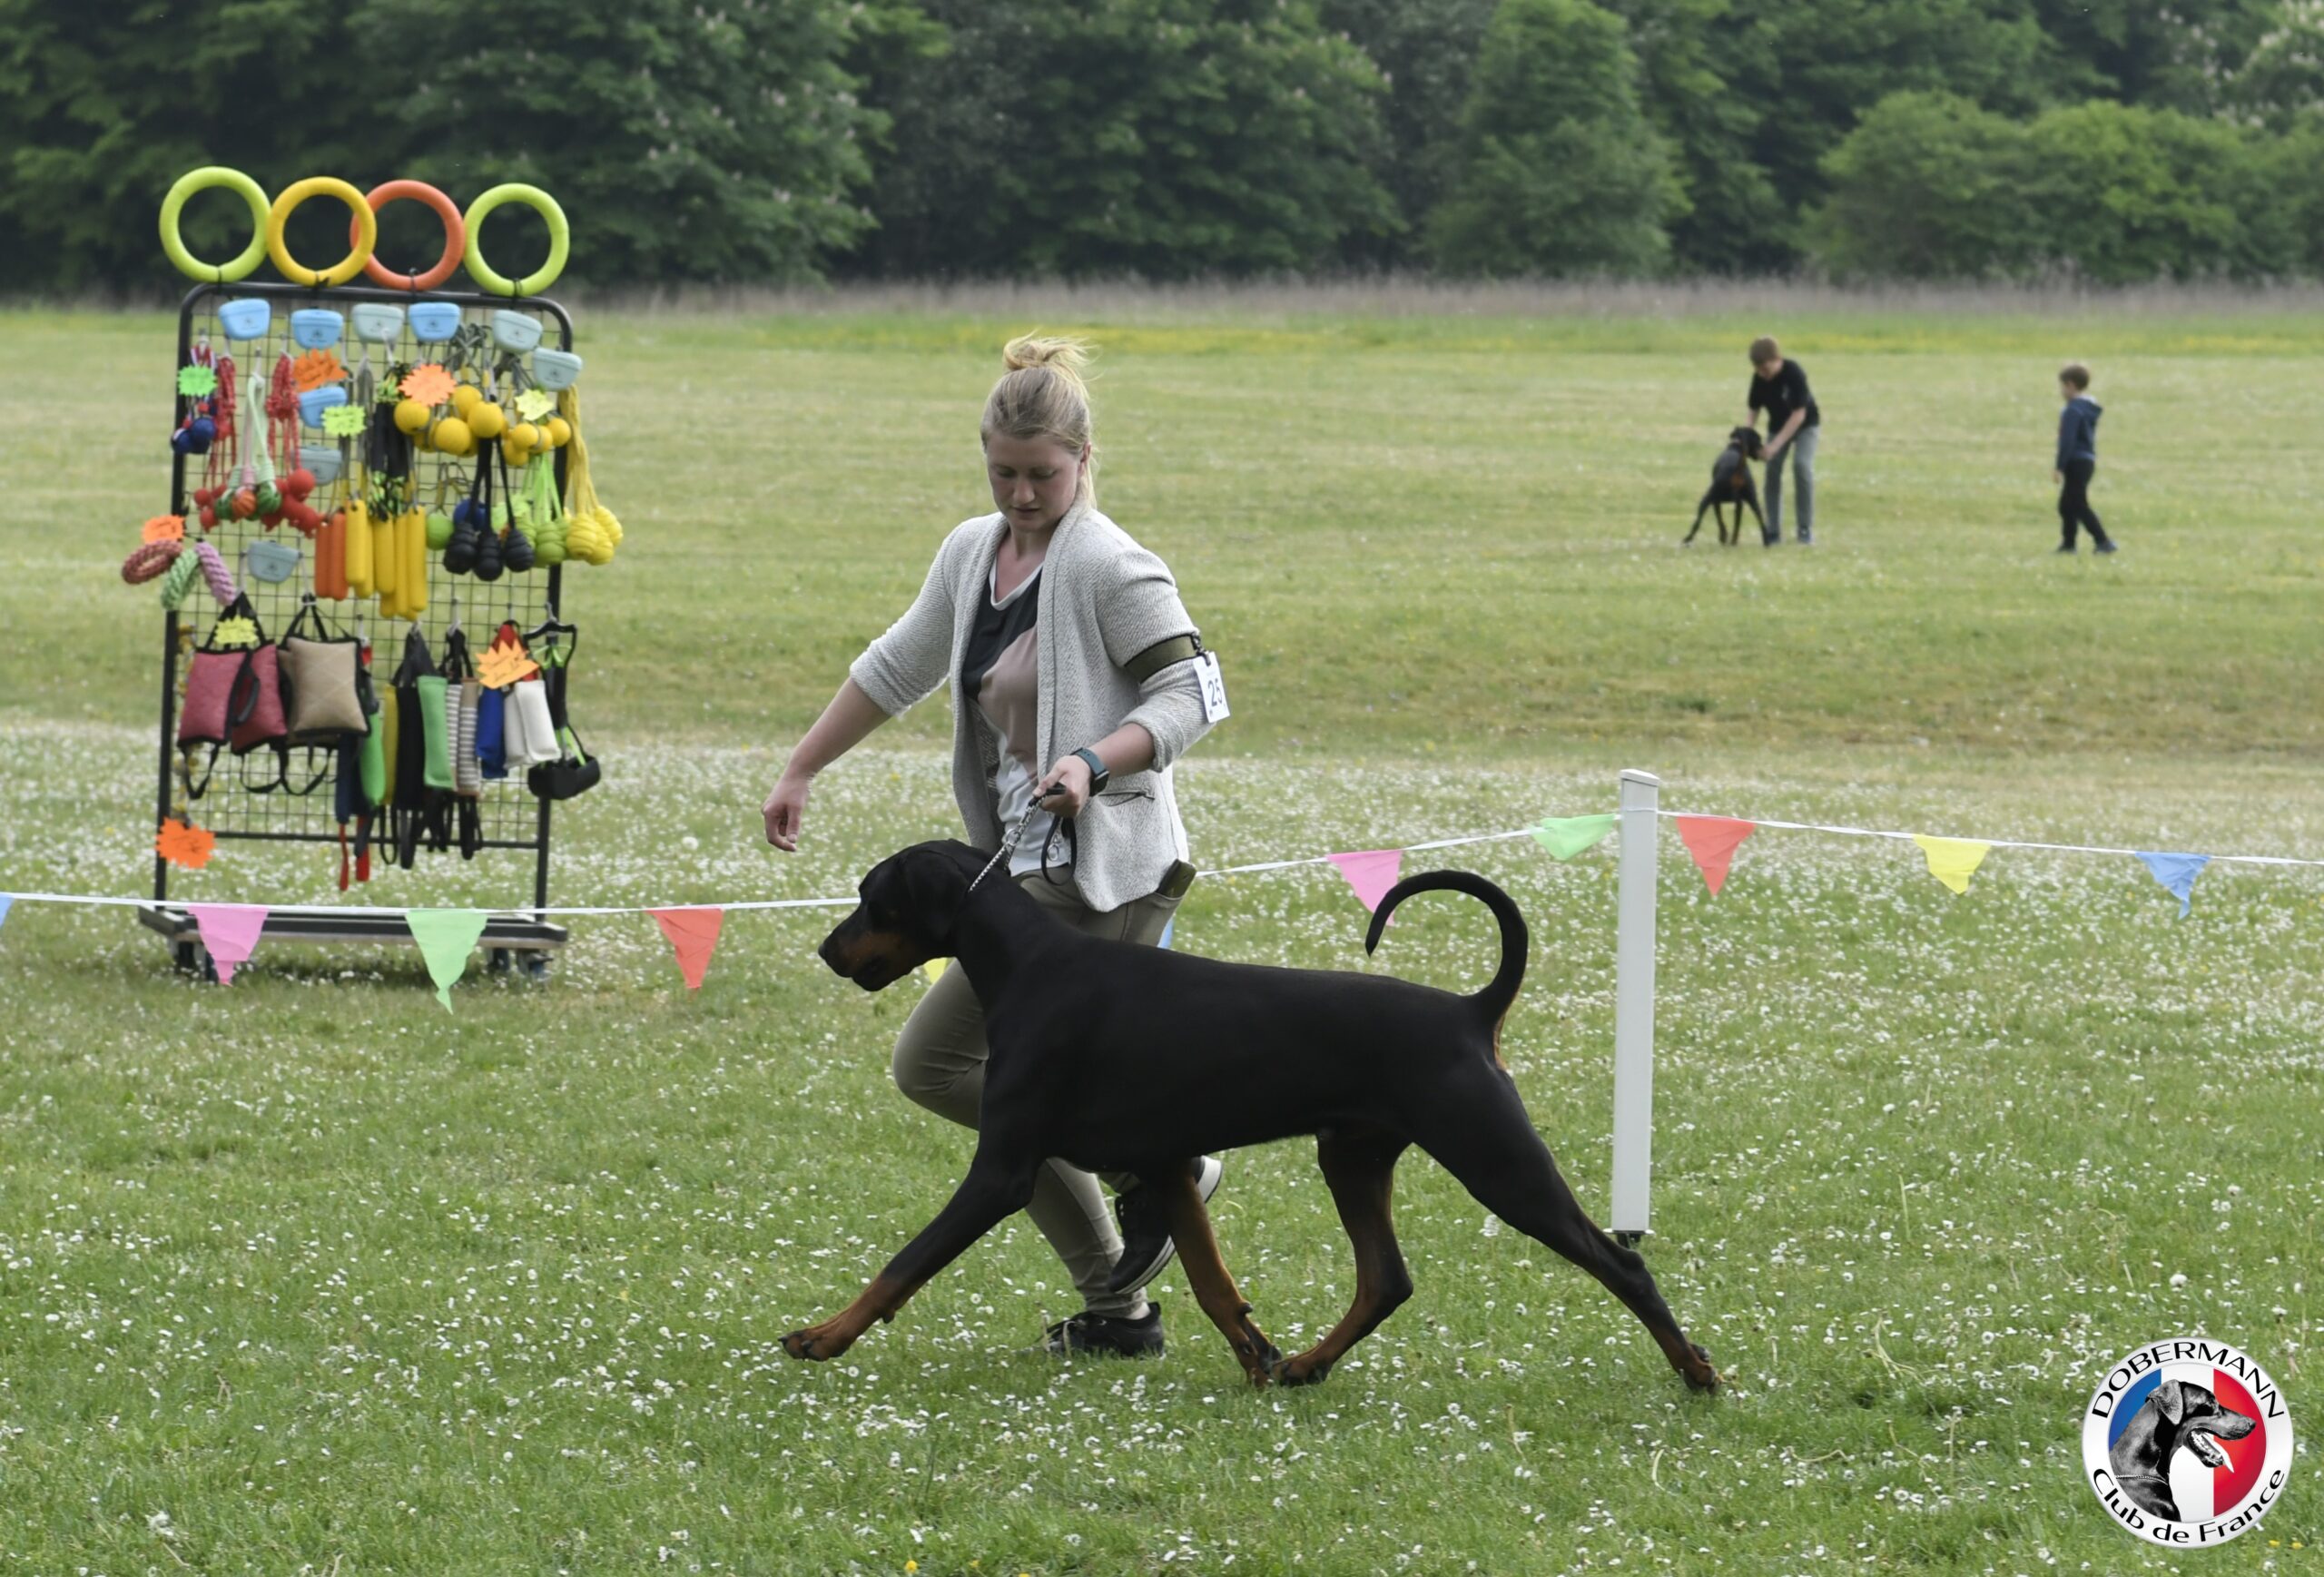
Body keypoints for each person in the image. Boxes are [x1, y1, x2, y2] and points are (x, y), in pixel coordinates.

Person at [761, 335, 1225, 1359]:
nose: (1021, 497)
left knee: (941, 1062)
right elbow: (897, 666)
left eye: (1042, 476)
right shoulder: (974, 552)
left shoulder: (1109, 565)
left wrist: (1092, 762)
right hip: (1017, 873)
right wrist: (801, 767)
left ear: (1084, 460)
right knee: (966, 1076)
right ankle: (1121, 1301)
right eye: (1003, 473)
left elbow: (1194, 694)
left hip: (1108, 875)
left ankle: (1158, 1181)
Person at [1745, 335, 1819, 546]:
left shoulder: (1794, 373)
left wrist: (1774, 446)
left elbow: (1799, 415)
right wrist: (1746, 437)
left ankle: (1804, 529)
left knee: (1801, 466)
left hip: (1806, 426)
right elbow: (1753, 410)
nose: (1762, 374)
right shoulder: (1759, 379)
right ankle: (1773, 530)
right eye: (1758, 370)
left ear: (1777, 359)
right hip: (1777, 426)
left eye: (1765, 369)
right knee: (1772, 471)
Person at [2054, 362, 2115, 555]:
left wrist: (2059, 466)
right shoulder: (2087, 408)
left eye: (2063, 386)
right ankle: (2068, 544)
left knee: (2078, 504)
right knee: (2066, 505)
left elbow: (2067, 440)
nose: (2062, 391)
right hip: (2087, 460)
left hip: (2075, 460)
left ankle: (2103, 542)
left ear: (2071, 385)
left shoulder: (2073, 410)